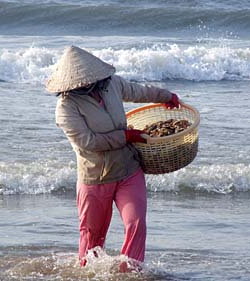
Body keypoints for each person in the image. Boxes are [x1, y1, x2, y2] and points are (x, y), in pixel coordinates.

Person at [46, 46, 180, 271]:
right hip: (95, 177)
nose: (87, 85)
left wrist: (166, 96)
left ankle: (129, 272)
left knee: (136, 223)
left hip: (128, 169)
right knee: (92, 238)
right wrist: (125, 136)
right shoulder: (66, 107)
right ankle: (88, 274)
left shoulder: (112, 84)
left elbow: (138, 91)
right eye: (81, 83)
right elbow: (88, 142)